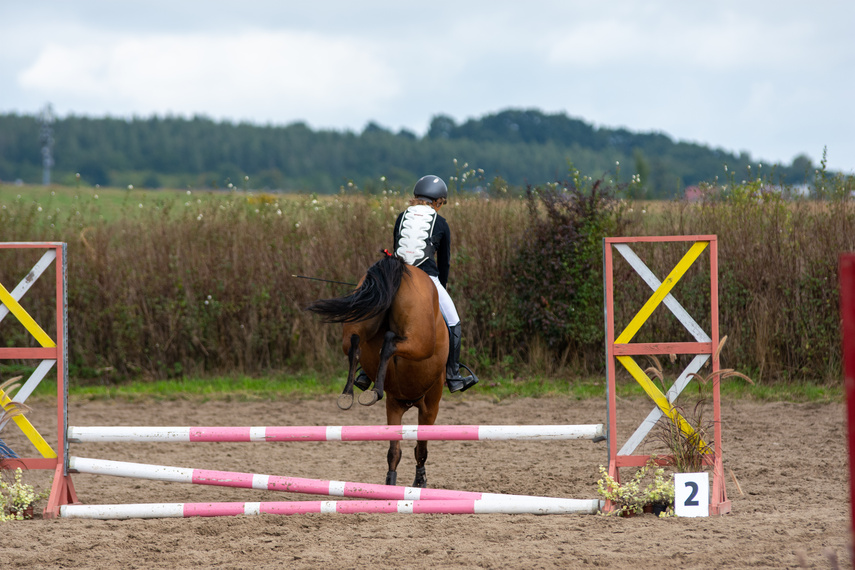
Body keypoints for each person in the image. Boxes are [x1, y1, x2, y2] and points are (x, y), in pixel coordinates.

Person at [354, 174, 478, 393]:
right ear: (438, 202)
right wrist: (441, 288)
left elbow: (396, 250)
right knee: (453, 322)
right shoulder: (441, 223)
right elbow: (444, 263)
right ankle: (453, 374)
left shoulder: (402, 216)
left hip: (396, 276)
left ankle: (366, 372)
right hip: (427, 276)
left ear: (416, 197)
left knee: (379, 313)